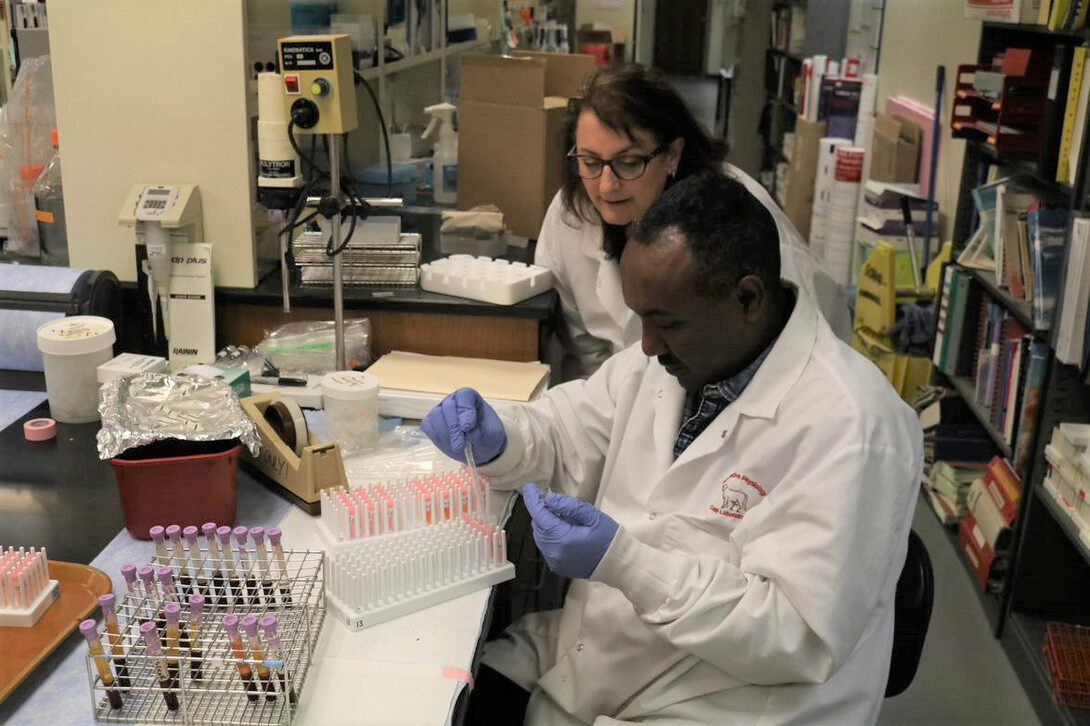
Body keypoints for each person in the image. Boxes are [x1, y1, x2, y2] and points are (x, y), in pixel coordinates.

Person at [422, 172, 922, 726]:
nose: (648, 345)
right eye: (641, 319)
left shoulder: (853, 428)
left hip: (732, 703)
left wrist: (626, 563)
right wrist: (502, 438)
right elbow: (567, 432)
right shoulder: (670, 358)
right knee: (435, 693)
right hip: (606, 659)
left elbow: (794, 633)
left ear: (749, 297)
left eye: (666, 323)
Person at [535, 63, 853, 381]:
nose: (606, 185)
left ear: (673, 154)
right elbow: (583, 352)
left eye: (629, 162)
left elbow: (807, 351)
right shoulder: (571, 213)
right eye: (590, 162)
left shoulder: (736, 216)